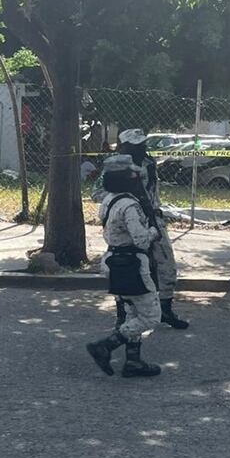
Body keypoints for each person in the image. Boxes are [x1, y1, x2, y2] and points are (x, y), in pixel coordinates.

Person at [86, 155, 166, 378]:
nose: (137, 177)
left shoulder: (109, 200)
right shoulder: (129, 205)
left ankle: (133, 361)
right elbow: (141, 240)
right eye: (132, 174)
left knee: (132, 313)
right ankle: (105, 346)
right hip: (132, 264)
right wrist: (154, 231)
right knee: (151, 317)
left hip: (114, 261)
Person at [111, 128, 189, 329]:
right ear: (123, 147)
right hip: (127, 220)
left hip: (153, 217)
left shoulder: (149, 162)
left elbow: (153, 192)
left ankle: (165, 309)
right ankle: (123, 314)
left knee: (166, 264)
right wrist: (125, 197)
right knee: (125, 266)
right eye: (135, 145)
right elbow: (98, 192)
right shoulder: (116, 165)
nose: (141, 148)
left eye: (142, 144)